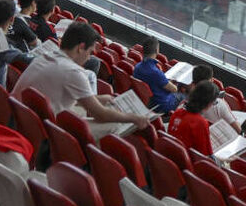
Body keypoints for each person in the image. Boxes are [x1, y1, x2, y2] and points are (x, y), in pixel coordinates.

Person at [12, 22, 150, 130]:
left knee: (84, 111)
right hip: (40, 126)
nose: (89, 57)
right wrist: (134, 118)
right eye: (90, 52)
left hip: (19, 116)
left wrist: (100, 98)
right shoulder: (73, 72)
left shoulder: (45, 57)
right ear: (80, 47)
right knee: (114, 124)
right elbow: (100, 115)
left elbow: (66, 96)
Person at [132, 37, 183, 113]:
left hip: (146, 100)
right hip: (161, 105)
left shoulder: (137, 67)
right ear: (156, 50)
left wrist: (166, 81)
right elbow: (174, 89)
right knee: (183, 96)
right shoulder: (155, 72)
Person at [167, 82, 218, 156]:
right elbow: (205, 155)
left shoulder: (178, 112)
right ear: (209, 103)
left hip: (174, 155)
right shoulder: (200, 122)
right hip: (190, 160)